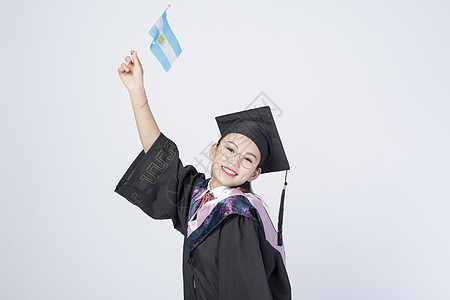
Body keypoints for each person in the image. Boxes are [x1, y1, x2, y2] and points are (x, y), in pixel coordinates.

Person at [115, 50, 292, 299]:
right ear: (213, 150)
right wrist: (137, 91)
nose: (234, 160)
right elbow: (159, 154)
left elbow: (245, 291)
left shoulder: (238, 218)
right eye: (229, 148)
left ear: (255, 174)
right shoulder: (198, 194)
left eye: (247, 159)